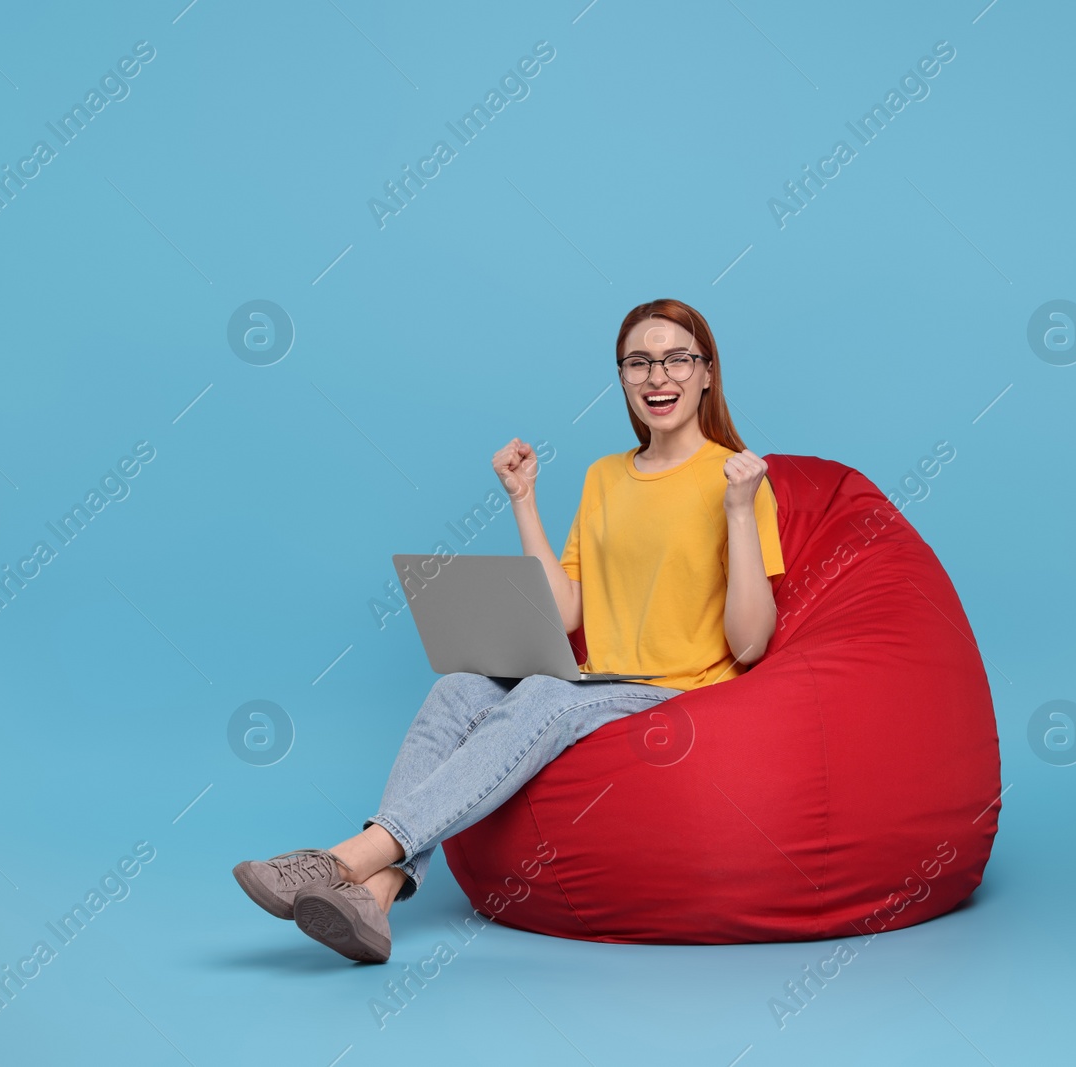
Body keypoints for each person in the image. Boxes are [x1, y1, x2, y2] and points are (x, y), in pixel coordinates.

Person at [232, 298, 786, 963]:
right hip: (596, 682)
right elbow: (569, 611)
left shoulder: (737, 478)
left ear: (706, 372)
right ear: (621, 377)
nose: (655, 377)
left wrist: (738, 510)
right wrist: (524, 500)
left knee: (544, 695)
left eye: (675, 359)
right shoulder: (606, 476)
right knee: (460, 684)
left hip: (676, 691)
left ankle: (345, 858)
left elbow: (751, 643)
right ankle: (374, 900)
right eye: (637, 361)